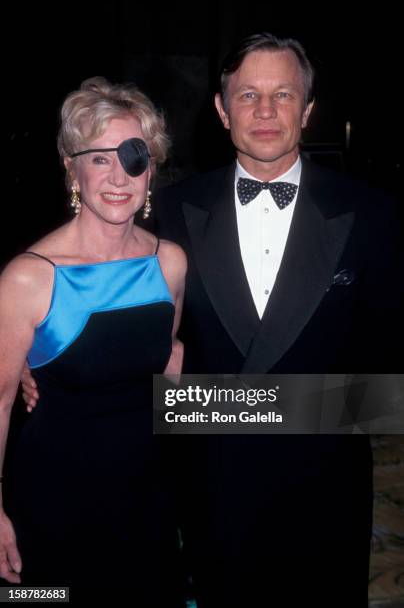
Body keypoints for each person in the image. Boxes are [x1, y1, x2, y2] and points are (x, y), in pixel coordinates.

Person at [22, 34, 403, 606]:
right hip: (212, 497)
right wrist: (39, 361)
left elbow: (386, 388)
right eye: (248, 95)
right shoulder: (171, 216)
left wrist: (240, 406)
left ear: (308, 109)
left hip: (323, 495)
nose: (267, 111)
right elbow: (107, 316)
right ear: (223, 111)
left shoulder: (372, 214)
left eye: (283, 94)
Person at [0, 77, 187, 606]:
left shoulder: (168, 263)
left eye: (133, 157)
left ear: (151, 169)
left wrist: (275, 411)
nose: (118, 176)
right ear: (70, 165)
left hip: (146, 497)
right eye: (98, 158)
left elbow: (164, 368)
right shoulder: (28, 278)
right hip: (54, 501)